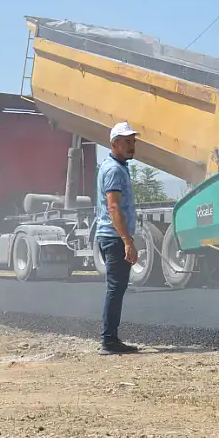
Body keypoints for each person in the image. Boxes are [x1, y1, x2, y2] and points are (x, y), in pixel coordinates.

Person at [96, 121, 141, 355]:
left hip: (111, 236)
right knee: (115, 288)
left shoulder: (118, 166)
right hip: (114, 238)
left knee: (116, 288)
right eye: (126, 142)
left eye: (133, 141)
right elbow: (113, 207)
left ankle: (110, 338)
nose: (132, 145)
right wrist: (127, 241)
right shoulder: (114, 170)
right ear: (114, 143)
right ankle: (109, 341)